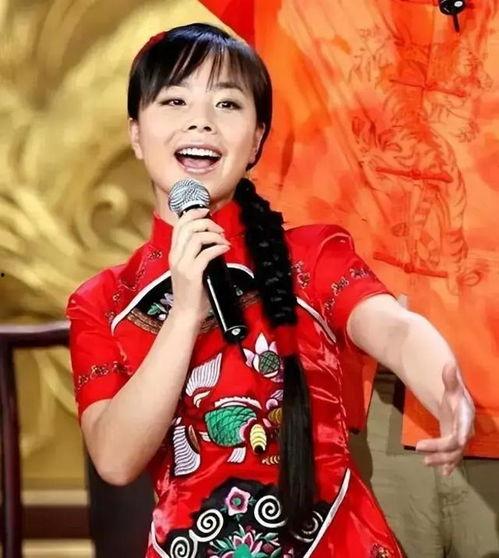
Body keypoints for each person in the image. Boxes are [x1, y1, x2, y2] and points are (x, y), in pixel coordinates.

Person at [66, 23, 475, 557]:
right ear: (137, 134)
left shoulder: (313, 254)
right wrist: (185, 312)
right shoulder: (102, 302)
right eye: (175, 100)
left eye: (227, 104)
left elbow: (392, 328)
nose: (200, 120)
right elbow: (115, 459)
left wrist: (445, 387)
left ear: (257, 138)